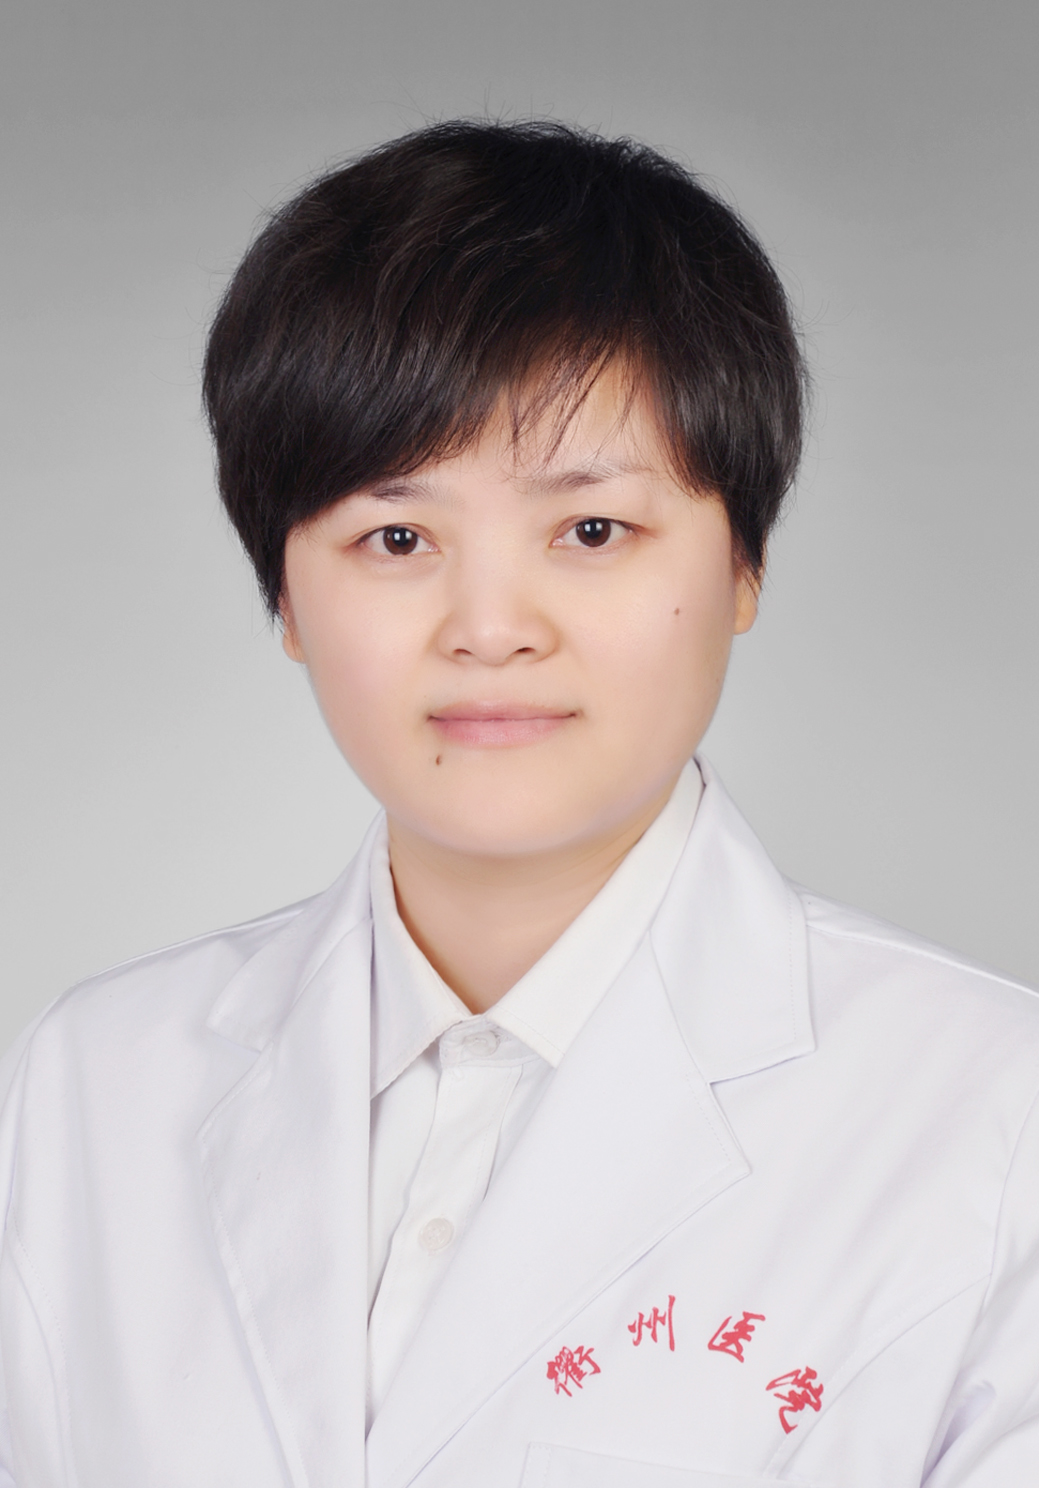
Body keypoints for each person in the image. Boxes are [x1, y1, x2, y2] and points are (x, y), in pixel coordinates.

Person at [0, 119, 1036, 1488]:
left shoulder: (991, 1114)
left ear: (743, 565)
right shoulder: (98, 1083)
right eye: (397, 538)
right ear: (286, 598)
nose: (490, 628)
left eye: (592, 531)